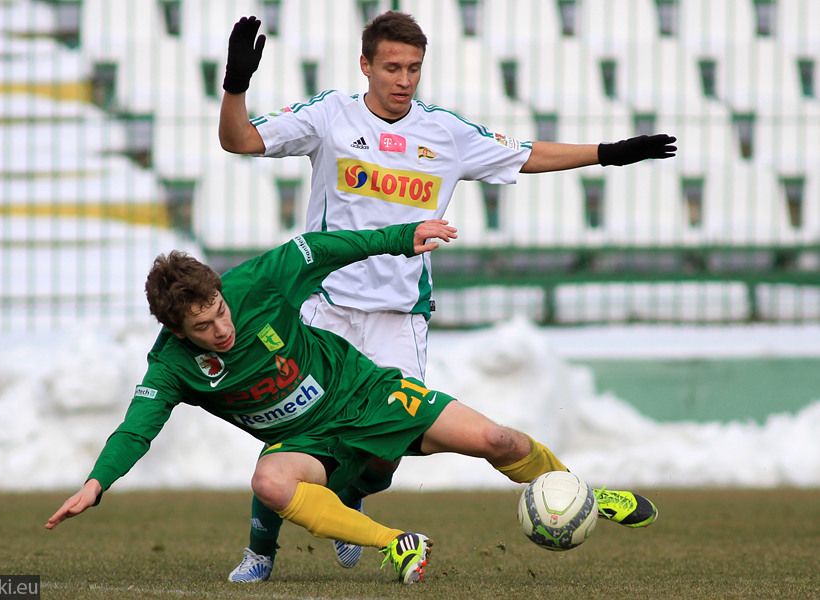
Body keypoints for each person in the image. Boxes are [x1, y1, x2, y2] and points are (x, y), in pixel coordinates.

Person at [218, 11, 676, 581]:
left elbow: (527, 154)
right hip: (324, 308)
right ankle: (260, 552)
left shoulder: (444, 133)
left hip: (398, 317)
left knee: (382, 454)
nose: (403, 79)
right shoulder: (330, 115)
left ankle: (351, 494)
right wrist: (236, 84)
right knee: (297, 431)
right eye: (391, 67)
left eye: (413, 67)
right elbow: (237, 140)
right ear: (365, 65)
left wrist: (608, 153)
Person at [45, 220, 658, 586]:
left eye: (220, 312)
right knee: (270, 479)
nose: (221, 330)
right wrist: (97, 483)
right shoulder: (172, 366)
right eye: (203, 327)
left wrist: (402, 237)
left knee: (502, 442)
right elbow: (136, 429)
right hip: (306, 443)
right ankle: (395, 542)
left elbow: (329, 246)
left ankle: (581, 493)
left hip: (363, 393)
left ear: (221, 292)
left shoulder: (258, 279)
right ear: (177, 331)